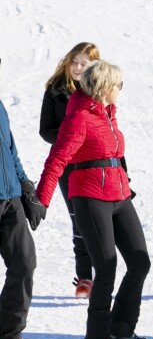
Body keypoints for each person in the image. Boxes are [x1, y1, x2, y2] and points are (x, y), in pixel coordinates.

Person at [36, 60, 152, 339]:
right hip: (89, 198)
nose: (120, 90)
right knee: (107, 268)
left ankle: (122, 331)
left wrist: (125, 184)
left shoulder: (108, 115)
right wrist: (41, 200)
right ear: (104, 87)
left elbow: (116, 157)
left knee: (140, 262)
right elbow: (56, 161)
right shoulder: (78, 119)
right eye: (118, 85)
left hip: (120, 196)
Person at [40, 42, 100, 299]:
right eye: (74, 61)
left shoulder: (98, 91)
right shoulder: (55, 91)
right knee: (79, 218)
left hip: (96, 164)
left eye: (83, 63)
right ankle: (84, 277)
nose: (76, 68)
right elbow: (45, 130)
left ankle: (105, 273)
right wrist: (71, 137)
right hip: (68, 165)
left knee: (100, 220)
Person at [0, 58, 46, 339]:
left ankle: (9, 336)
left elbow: (10, 151)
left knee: (24, 262)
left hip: (10, 198)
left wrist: (26, 186)